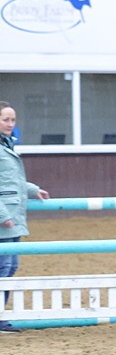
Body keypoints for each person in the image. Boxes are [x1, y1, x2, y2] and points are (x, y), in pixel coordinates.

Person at [0, 102, 51, 333]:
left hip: (13, 216)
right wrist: (2, 215)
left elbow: (13, 181)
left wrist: (33, 190)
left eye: (12, 120)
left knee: (10, 267)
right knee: (4, 268)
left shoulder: (7, 144)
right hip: (5, 218)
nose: (10, 124)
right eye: (6, 119)